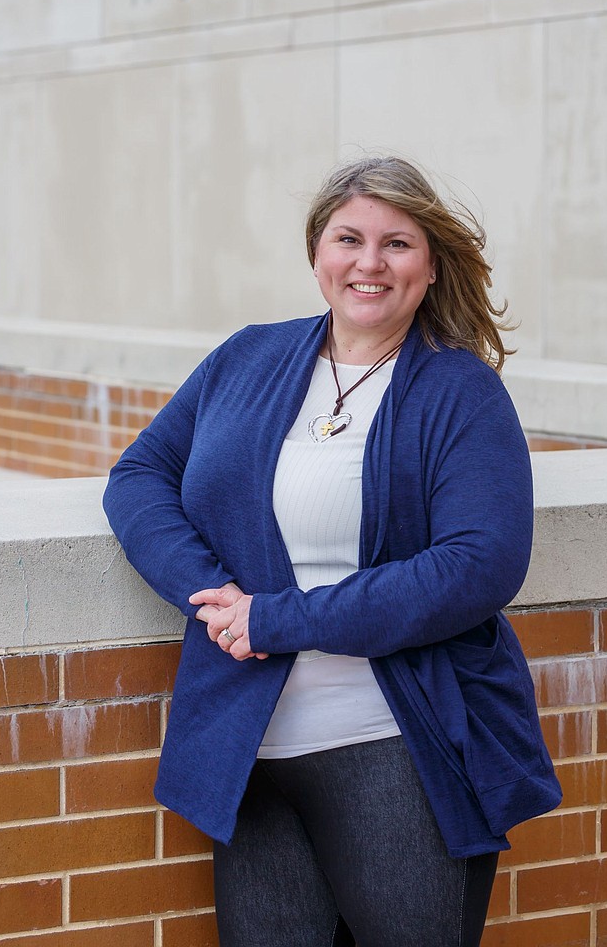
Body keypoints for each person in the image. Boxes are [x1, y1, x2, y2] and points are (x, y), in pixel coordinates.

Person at [103, 156, 561, 947]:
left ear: (431, 261)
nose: (370, 263)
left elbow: (478, 563)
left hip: (392, 747)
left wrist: (277, 619)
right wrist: (214, 597)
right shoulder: (248, 358)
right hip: (252, 749)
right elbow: (139, 475)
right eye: (349, 238)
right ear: (318, 251)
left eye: (398, 244)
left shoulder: (460, 391)